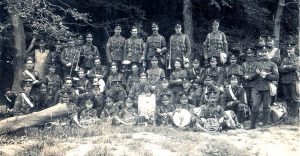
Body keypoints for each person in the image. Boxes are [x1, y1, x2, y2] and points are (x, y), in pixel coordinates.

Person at [245, 46, 279, 129]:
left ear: (268, 53)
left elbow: (276, 77)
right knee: (255, 106)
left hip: (267, 88)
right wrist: (255, 74)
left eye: (265, 51)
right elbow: (252, 76)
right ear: (260, 53)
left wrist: (267, 75)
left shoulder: (272, 64)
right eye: (262, 52)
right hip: (257, 88)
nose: (264, 53)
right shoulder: (256, 63)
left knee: (266, 107)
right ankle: (252, 125)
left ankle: (265, 125)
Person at [279, 44, 300, 118]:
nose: (289, 50)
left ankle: (295, 116)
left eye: (291, 49)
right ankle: (290, 114)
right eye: (288, 49)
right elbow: (280, 69)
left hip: (293, 81)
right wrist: (288, 68)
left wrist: (286, 67)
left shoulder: (297, 58)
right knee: (287, 98)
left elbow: (296, 66)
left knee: (294, 98)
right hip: (285, 81)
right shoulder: (284, 59)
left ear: (294, 49)